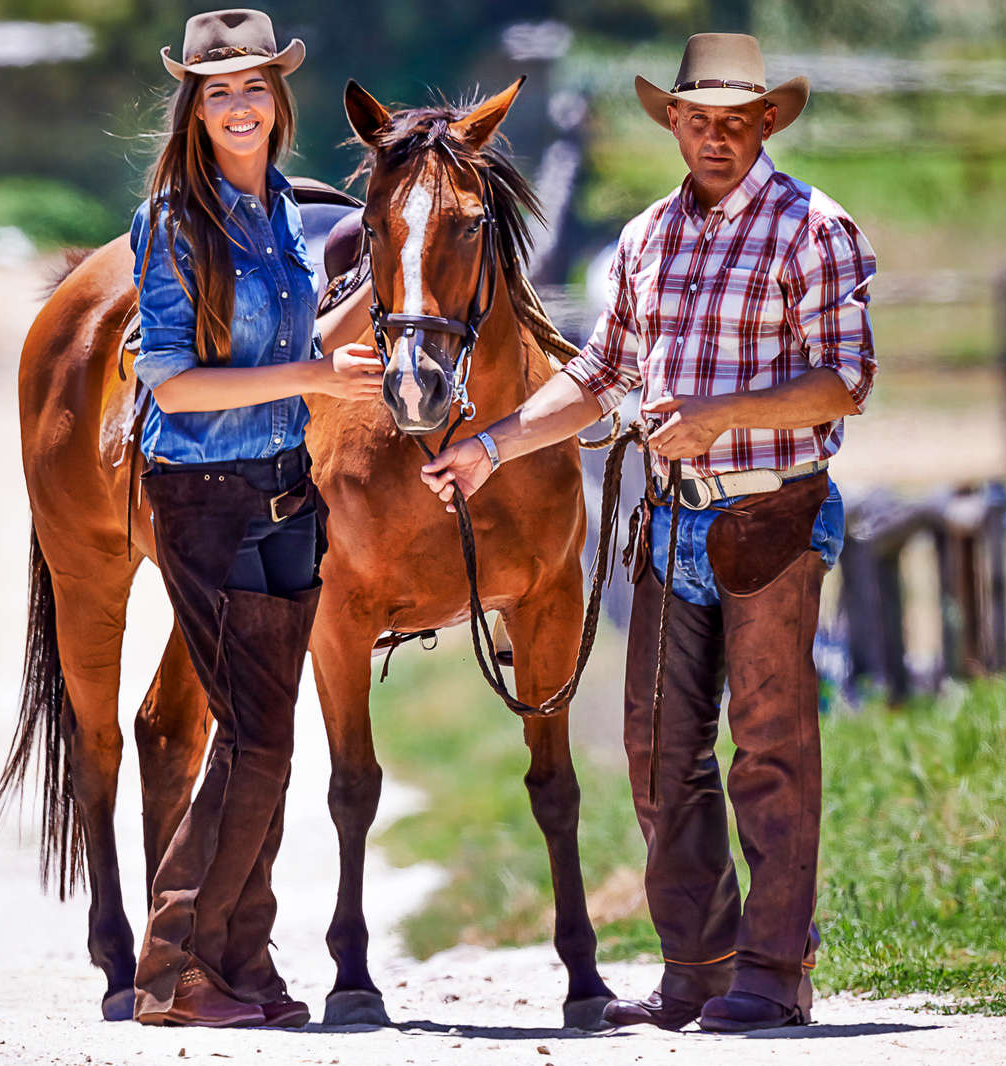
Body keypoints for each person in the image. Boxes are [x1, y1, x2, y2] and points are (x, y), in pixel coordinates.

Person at [421, 33, 876, 1034]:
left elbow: (845, 379)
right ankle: (698, 967)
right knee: (658, 751)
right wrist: (491, 446)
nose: (714, 137)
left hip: (774, 509)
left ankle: (773, 968)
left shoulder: (814, 229)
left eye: (734, 121)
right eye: (696, 119)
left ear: (765, 122)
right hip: (670, 515)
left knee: (768, 743)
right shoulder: (644, 240)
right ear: (671, 121)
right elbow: (598, 377)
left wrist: (719, 413)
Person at [128, 8, 382, 1028]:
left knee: (268, 735)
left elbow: (295, 340)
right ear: (195, 108)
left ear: (280, 101)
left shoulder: (283, 211)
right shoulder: (173, 223)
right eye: (219, 90)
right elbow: (174, 385)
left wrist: (370, 310)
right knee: (254, 737)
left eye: (255, 87)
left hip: (284, 483)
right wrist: (315, 376)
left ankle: (244, 965)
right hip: (203, 496)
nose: (240, 104)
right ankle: (174, 966)